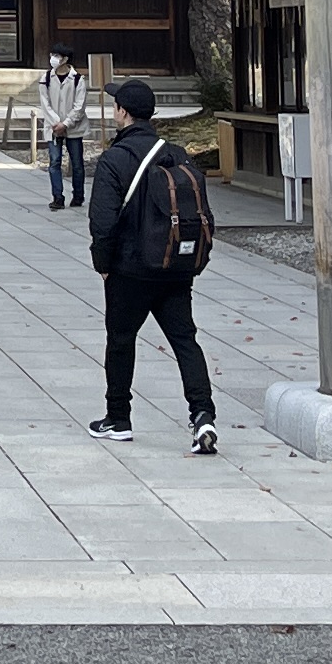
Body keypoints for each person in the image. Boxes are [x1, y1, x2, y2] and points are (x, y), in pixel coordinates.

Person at [84, 78, 217, 454]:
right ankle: (203, 415)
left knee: (121, 340)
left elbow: (102, 222)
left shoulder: (115, 159)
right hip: (175, 265)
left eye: (116, 106)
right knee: (185, 340)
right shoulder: (176, 153)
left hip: (130, 268)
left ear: (122, 112)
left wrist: (103, 264)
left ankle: (118, 418)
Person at [36, 54, 91, 211]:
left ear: (65, 59)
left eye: (57, 56)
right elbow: (45, 103)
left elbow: (79, 106)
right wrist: (56, 122)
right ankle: (57, 197)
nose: (53, 59)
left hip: (73, 127)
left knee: (77, 163)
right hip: (53, 127)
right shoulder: (46, 78)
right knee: (54, 162)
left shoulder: (77, 79)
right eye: (52, 55)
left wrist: (65, 123)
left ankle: (78, 195)